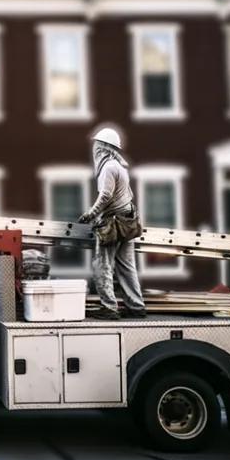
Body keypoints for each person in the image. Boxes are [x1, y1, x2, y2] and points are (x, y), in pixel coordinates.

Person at [77, 127, 146, 321]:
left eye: (97, 145)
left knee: (102, 265)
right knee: (126, 266)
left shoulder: (107, 168)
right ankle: (136, 306)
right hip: (127, 220)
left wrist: (91, 214)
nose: (95, 148)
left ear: (104, 147)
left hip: (113, 223)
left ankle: (109, 307)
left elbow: (106, 196)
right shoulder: (119, 166)